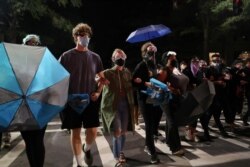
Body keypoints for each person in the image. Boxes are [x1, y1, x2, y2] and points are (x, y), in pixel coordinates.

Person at [59, 23, 104, 167]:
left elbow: (102, 78)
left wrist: (98, 92)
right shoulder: (66, 56)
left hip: (90, 99)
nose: (84, 37)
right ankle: (79, 163)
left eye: (87, 35)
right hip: (72, 100)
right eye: (81, 34)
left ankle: (87, 148)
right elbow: (58, 78)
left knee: (92, 130)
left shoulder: (95, 57)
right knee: (76, 132)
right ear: (75, 37)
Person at [98, 48, 134, 165]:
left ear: (125, 58)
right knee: (117, 131)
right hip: (113, 106)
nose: (120, 59)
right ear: (113, 59)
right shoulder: (108, 72)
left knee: (123, 131)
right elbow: (97, 77)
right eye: (118, 57)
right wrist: (100, 79)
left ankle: (121, 151)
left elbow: (131, 84)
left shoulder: (127, 72)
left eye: (122, 57)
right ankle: (117, 156)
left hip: (126, 104)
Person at [21, 34, 47, 167]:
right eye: (29, 43)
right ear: (24, 45)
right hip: (23, 109)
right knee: (29, 142)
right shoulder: (18, 64)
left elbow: (49, 84)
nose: (32, 45)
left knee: (38, 141)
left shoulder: (43, 62)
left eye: (35, 43)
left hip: (39, 108)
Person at [132, 42, 160, 164]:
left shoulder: (155, 66)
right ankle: (151, 150)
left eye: (153, 53)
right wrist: (143, 82)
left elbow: (157, 80)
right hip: (143, 98)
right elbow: (133, 82)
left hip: (154, 96)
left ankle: (148, 144)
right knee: (149, 124)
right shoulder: (141, 66)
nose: (152, 55)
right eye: (149, 53)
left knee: (153, 123)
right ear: (144, 53)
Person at [159, 51, 188, 156]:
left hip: (176, 98)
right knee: (172, 122)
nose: (175, 59)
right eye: (172, 57)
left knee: (170, 121)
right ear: (167, 59)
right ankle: (175, 147)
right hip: (166, 99)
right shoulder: (164, 70)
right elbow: (158, 83)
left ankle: (169, 141)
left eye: (175, 57)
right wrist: (169, 88)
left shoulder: (175, 70)